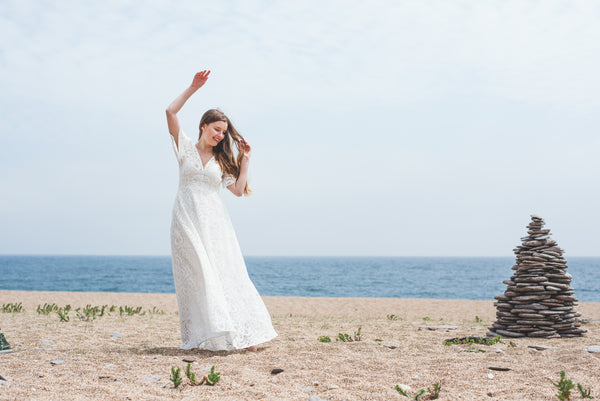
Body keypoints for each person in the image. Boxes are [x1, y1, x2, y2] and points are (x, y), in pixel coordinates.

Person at [166, 70, 277, 351]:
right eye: (217, 129)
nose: (220, 135)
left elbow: (238, 191)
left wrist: (245, 160)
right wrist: (193, 87)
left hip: (215, 224)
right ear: (204, 126)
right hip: (187, 219)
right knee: (198, 275)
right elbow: (170, 111)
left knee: (225, 274)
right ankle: (204, 335)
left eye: (224, 132)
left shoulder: (222, 160)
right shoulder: (185, 148)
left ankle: (240, 336)